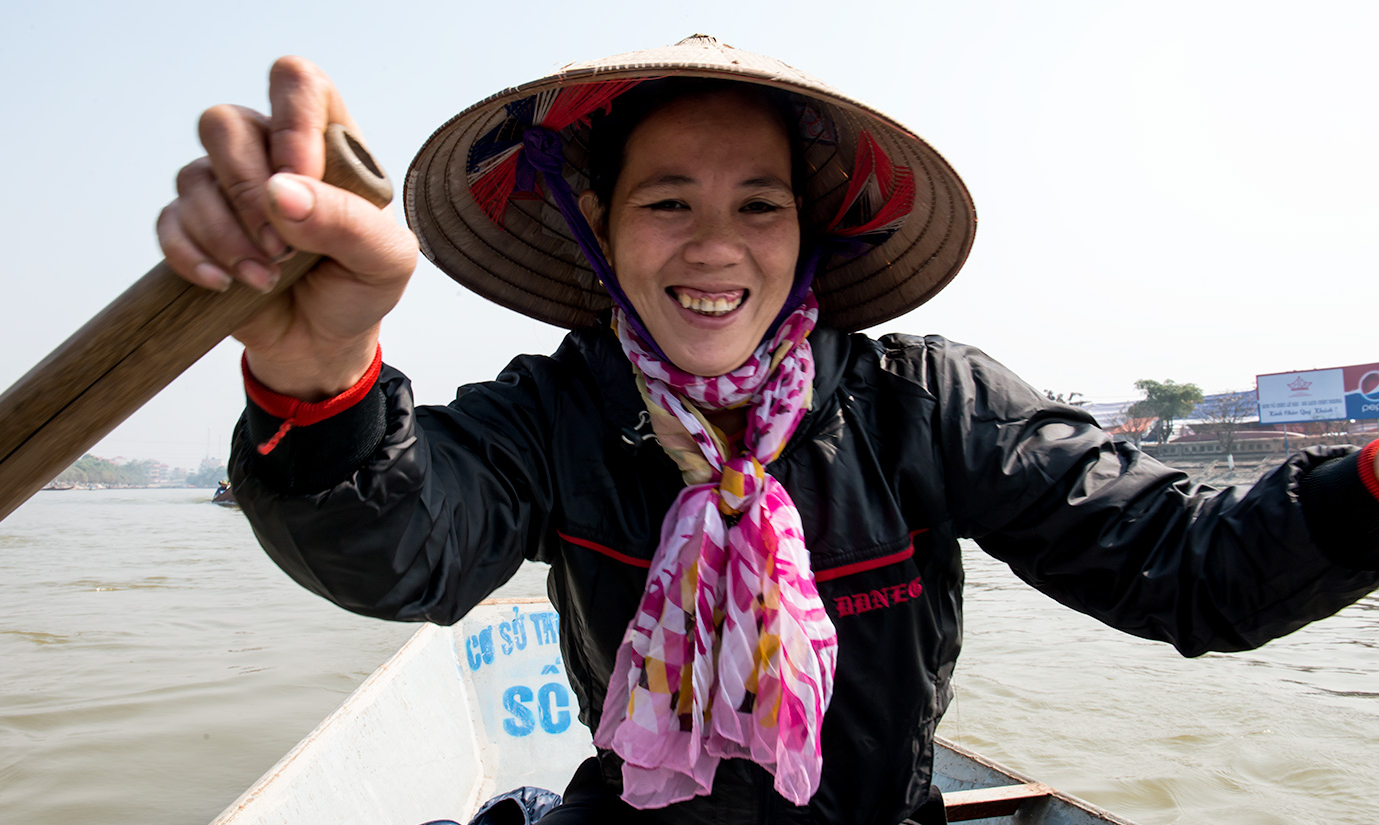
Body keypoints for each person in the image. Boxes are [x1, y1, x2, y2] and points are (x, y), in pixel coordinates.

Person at [157, 36, 1379, 825]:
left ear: (811, 230)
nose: (714, 247)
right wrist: (315, 375)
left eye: (758, 204)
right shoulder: (560, 409)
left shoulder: (922, 405)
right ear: (597, 223)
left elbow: (1190, 566)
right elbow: (403, 546)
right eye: (667, 202)